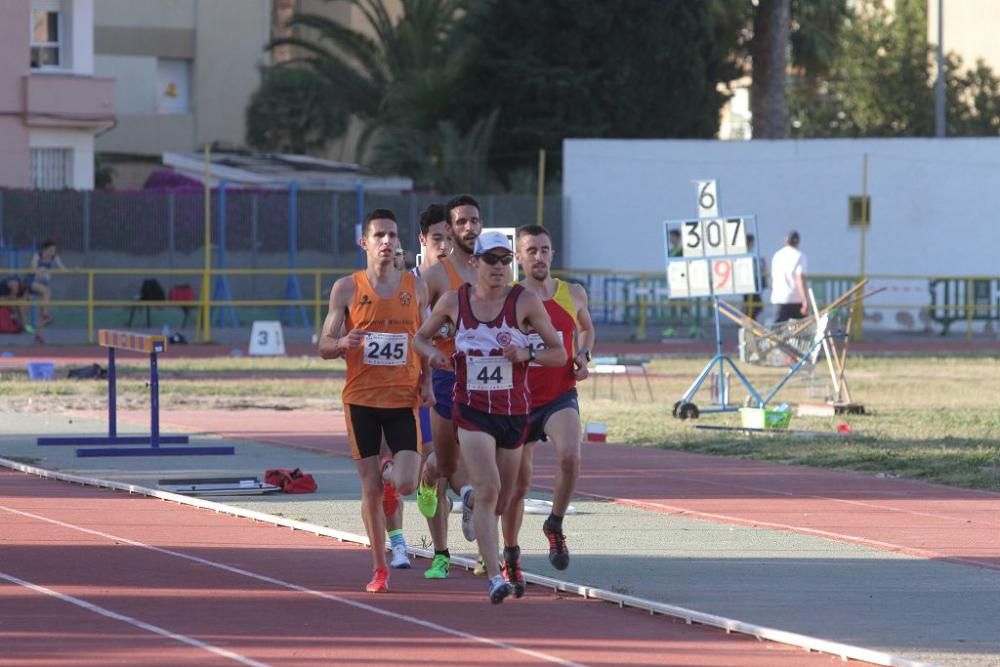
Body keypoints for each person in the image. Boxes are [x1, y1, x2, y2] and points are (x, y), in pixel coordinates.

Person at [414, 230, 566, 604]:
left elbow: (558, 352)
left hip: (514, 412)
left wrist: (527, 355)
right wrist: (433, 355)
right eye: (491, 259)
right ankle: (494, 574)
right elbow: (420, 338)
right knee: (488, 489)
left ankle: (479, 520)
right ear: (475, 262)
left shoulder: (524, 300)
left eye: (505, 260)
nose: (499, 267)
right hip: (472, 411)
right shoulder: (454, 301)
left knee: (504, 498)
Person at [318, 209, 432, 593]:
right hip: (362, 400)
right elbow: (323, 345)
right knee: (367, 487)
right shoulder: (346, 288)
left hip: (403, 398)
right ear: (364, 242)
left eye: (392, 235)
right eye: (379, 235)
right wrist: (341, 343)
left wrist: (428, 381)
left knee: (406, 482)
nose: (387, 242)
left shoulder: (415, 288)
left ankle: (390, 476)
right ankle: (379, 567)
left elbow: (426, 339)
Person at [497, 224, 595, 595]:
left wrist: (583, 354)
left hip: (558, 395)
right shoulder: (509, 297)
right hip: (518, 401)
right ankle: (511, 555)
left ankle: (554, 524)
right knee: (516, 486)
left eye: (545, 249)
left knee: (571, 456)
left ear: (552, 253)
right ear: (518, 257)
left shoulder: (573, 293)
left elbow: (586, 330)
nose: (539, 256)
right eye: (531, 250)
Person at [417, 194, 483, 574]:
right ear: (425, 239)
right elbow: (417, 329)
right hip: (438, 377)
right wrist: (424, 373)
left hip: (481, 378)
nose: (447, 242)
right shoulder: (434, 278)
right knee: (442, 465)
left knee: (483, 461)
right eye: (439, 236)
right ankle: (440, 553)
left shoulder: (490, 271)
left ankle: (484, 553)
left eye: (472, 222)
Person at [770, 230, 809, 324]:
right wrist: (805, 300)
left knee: (777, 331)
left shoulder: (777, 255)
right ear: (798, 242)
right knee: (801, 334)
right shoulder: (799, 255)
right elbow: (800, 279)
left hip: (779, 298)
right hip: (795, 299)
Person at [27, 240, 66, 325]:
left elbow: (62, 268)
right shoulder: (38, 255)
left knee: (43, 301)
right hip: (32, 281)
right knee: (47, 291)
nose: (52, 252)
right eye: (51, 250)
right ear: (45, 249)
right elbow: (33, 267)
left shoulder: (54, 257)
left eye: (54, 250)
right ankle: (45, 315)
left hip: (42, 284)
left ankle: (39, 332)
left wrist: (73, 270)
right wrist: (40, 271)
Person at [742, 233, 767, 321]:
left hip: (752, 284)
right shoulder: (747, 253)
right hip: (750, 284)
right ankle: (747, 321)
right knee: (755, 306)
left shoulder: (750, 253)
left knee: (753, 307)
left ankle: (749, 322)